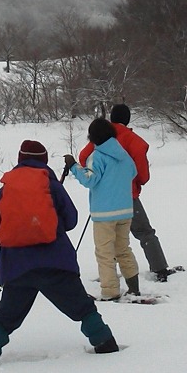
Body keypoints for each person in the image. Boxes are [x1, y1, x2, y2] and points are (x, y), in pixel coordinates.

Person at [0, 139, 118, 369]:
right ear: (45, 160)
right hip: (56, 264)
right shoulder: (51, 185)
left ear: (20, 159)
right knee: (83, 308)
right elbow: (71, 220)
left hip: (17, 268)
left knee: (4, 319)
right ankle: (106, 344)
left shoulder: (6, 189)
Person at [78, 104, 176, 282]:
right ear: (128, 119)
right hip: (127, 196)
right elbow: (142, 174)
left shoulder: (100, 136)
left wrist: (100, 178)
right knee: (144, 232)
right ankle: (159, 267)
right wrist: (135, 183)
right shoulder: (133, 140)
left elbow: (84, 157)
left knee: (108, 238)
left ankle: (109, 275)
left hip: (104, 199)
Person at [63, 117, 141, 301]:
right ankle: (134, 287)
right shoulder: (123, 155)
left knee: (105, 253)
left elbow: (89, 180)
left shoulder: (97, 156)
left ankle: (110, 291)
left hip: (104, 214)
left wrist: (74, 166)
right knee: (123, 249)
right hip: (125, 210)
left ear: (93, 137)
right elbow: (133, 173)